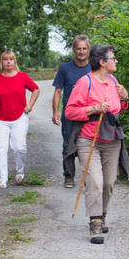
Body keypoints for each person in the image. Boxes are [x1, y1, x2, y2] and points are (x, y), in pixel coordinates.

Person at [64, 44, 129, 244]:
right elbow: (70, 111)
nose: (116, 61)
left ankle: (102, 215)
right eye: (113, 58)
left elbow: (119, 108)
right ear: (102, 62)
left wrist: (125, 98)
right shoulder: (85, 83)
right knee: (95, 180)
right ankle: (94, 222)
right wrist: (94, 108)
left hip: (112, 138)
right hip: (88, 139)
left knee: (109, 182)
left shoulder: (113, 80)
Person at [0, 49, 40, 188]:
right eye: (5, 59)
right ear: (1, 62)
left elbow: (36, 89)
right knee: (1, 148)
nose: (8, 62)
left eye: (11, 59)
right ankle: (2, 179)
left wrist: (29, 106)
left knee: (19, 147)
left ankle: (20, 171)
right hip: (0, 119)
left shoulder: (22, 76)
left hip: (19, 117)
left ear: (14, 61)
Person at [52, 35, 92, 188]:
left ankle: (89, 178)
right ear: (74, 50)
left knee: (88, 146)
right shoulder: (65, 68)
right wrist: (55, 112)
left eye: (84, 48)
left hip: (89, 114)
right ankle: (68, 176)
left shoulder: (93, 68)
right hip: (69, 115)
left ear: (88, 50)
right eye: (78, 48)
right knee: (68, 146)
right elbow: (57, 91)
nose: (81, 51)